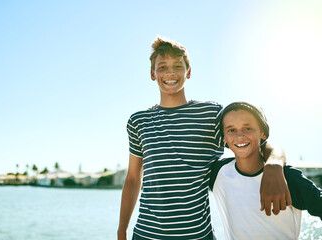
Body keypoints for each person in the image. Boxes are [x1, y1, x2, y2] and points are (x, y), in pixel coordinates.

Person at [117, 37, 291, 240]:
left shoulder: (211, 114)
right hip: (146, 234)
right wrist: (122, 230)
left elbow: (257, 141)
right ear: (152, 74)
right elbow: (132, 179)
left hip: (198, 235)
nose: (170, 72)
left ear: (188, 72)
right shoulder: (139, 121)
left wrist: (274, 166)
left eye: (177, 66)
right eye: (162, 67)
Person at [209, 102, 322, 240]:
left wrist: (274, 165)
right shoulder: (218, 173)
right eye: (231, 130)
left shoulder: (285, 176)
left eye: (248, 128)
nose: (239, 136)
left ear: (263, 133)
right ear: (224, 138)